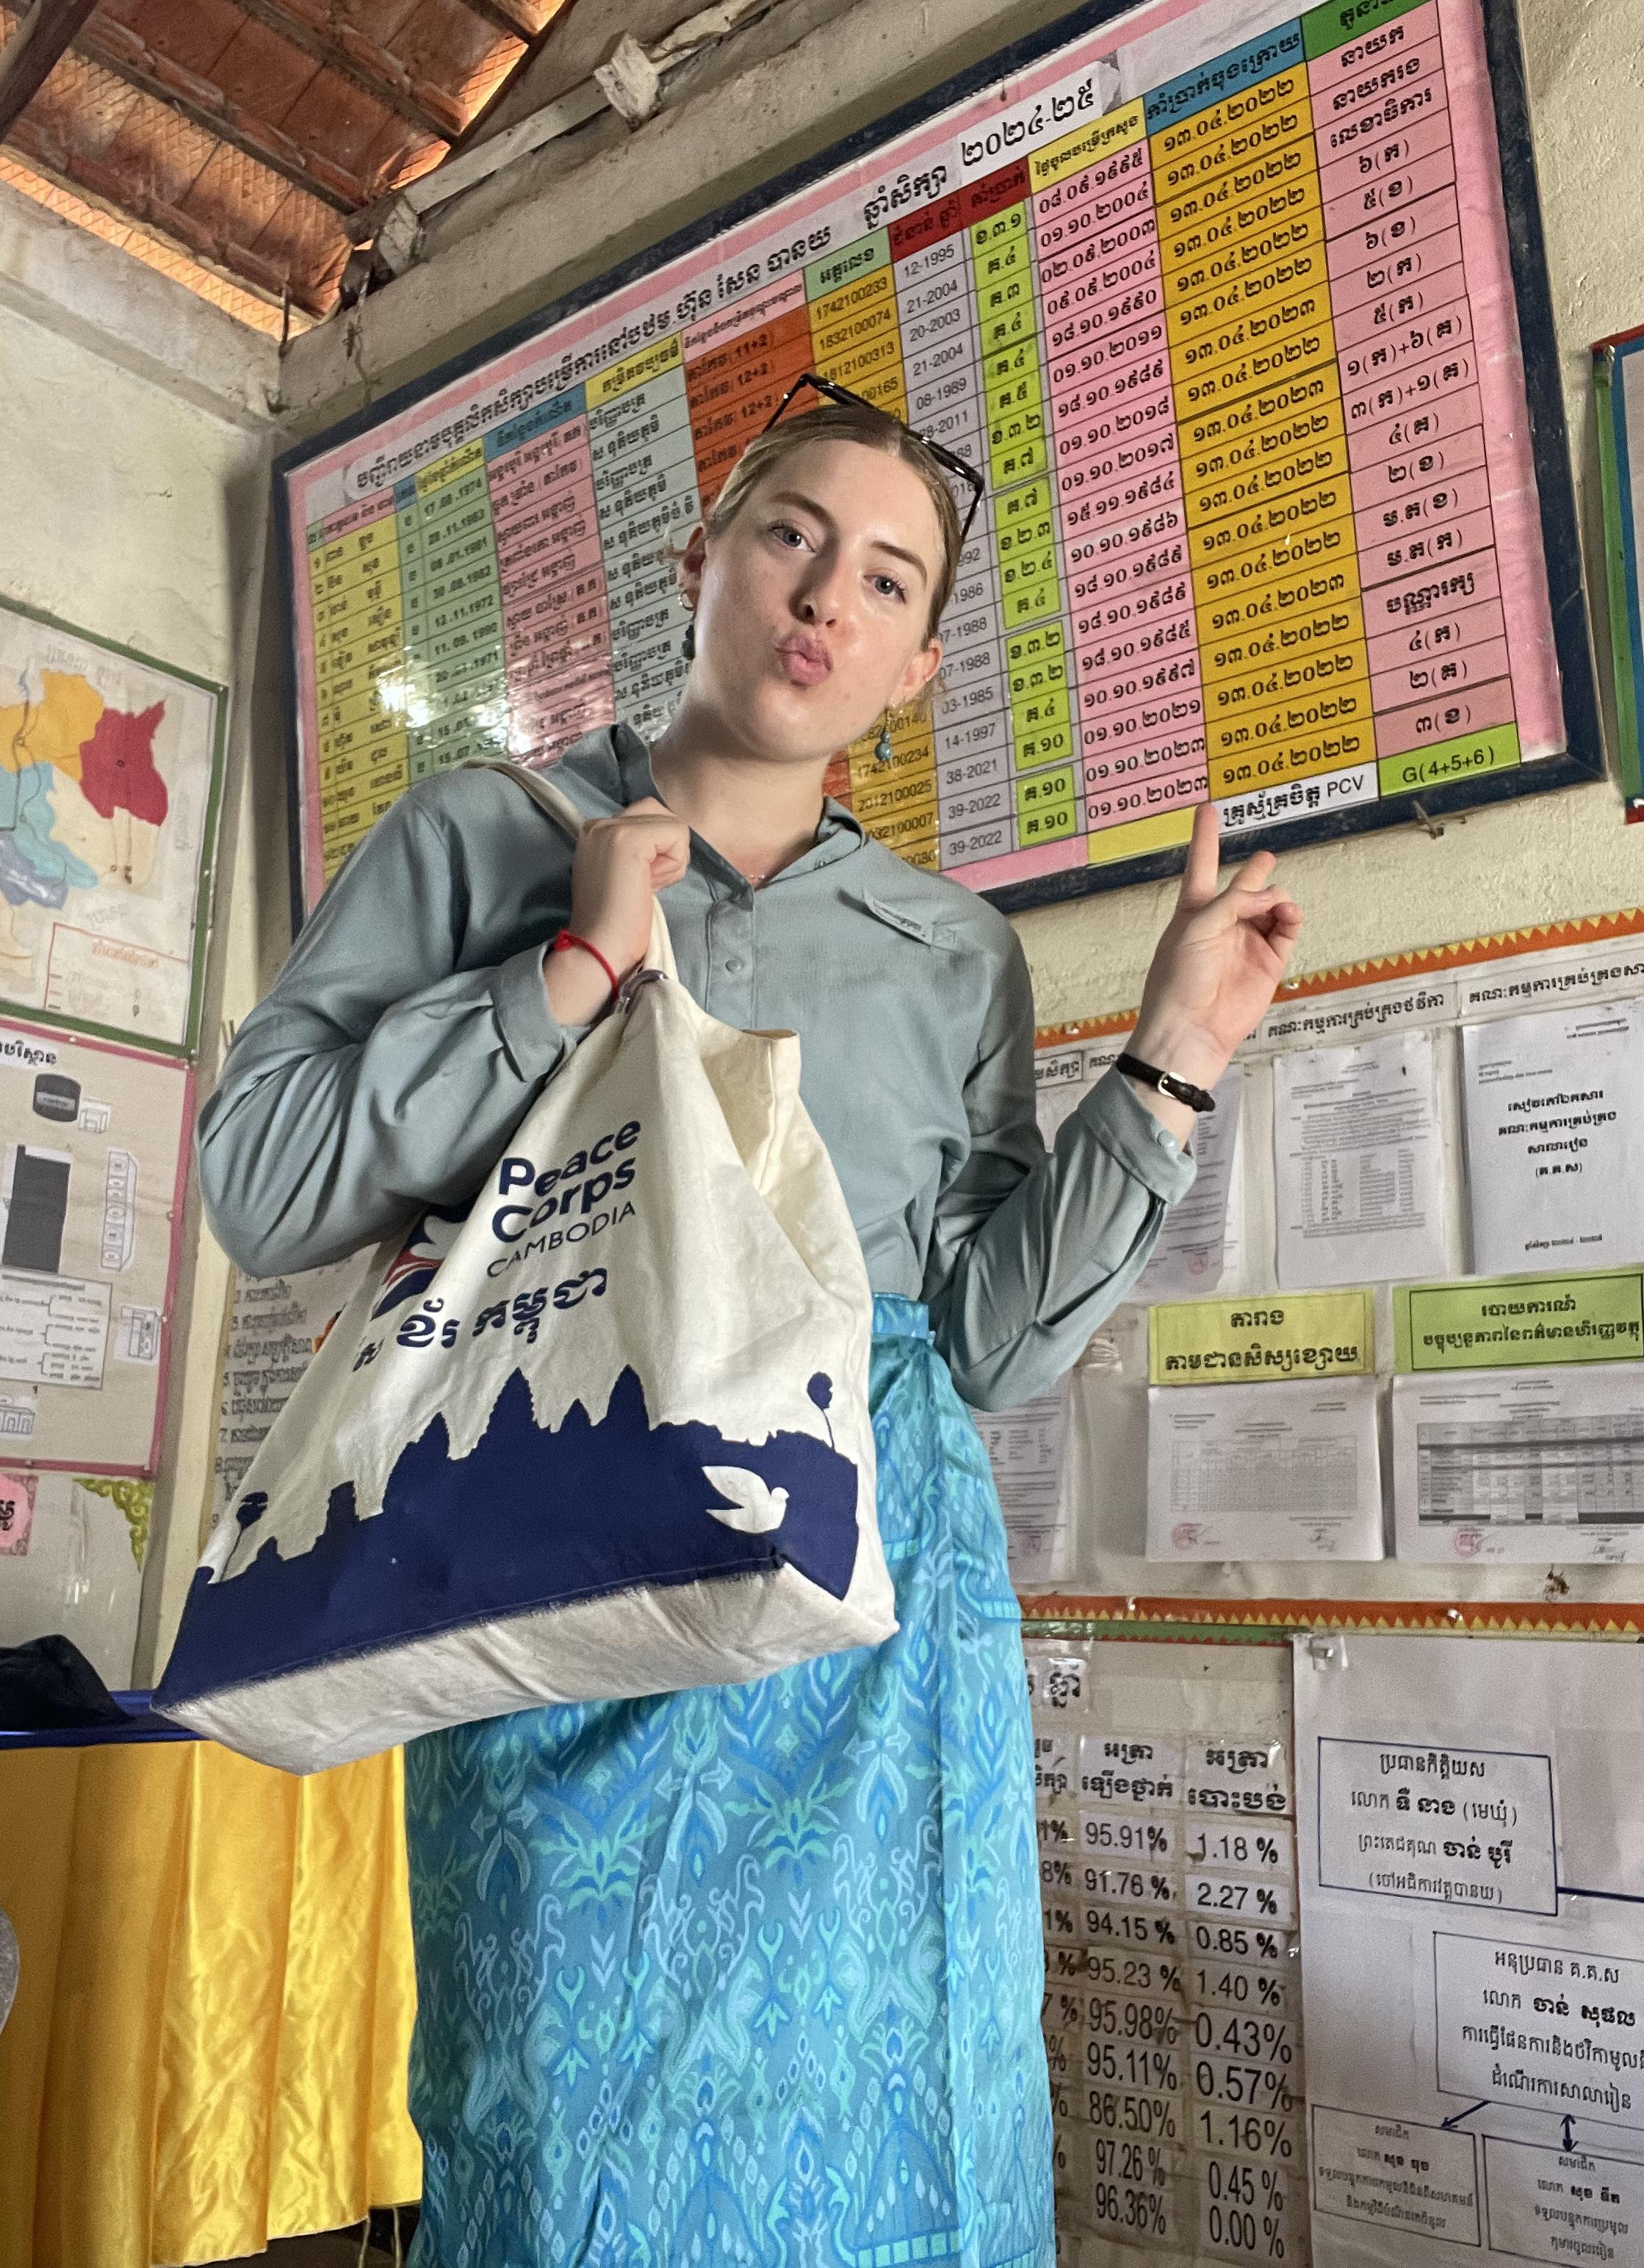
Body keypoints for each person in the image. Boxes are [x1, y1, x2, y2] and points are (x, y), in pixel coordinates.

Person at [198, 391, 1301, 2267]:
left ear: (918, 666)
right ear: (699, 557)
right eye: (793, 535)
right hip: (561, 1571)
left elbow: (984, 1344)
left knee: (914, 2130)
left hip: (880, 1623)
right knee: (561, 2142)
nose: (825, 599)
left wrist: (1172, 1057)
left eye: (888, 580)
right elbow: (265, 1181)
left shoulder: (955, 951)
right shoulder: (482, 835)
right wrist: (567, 970)